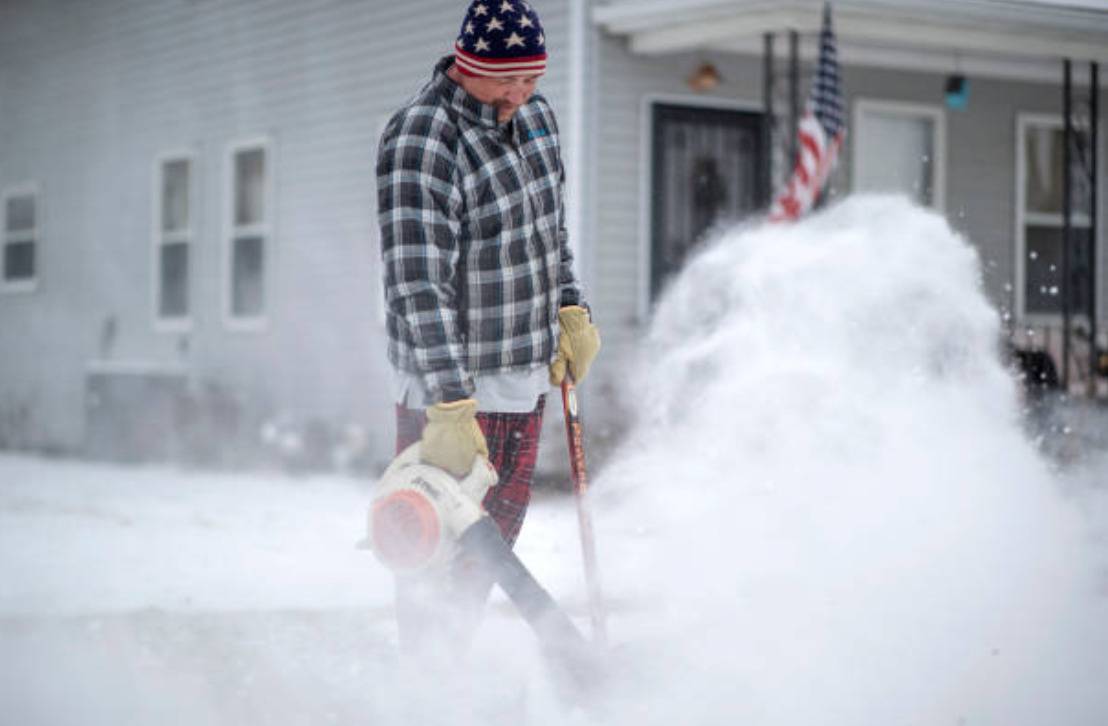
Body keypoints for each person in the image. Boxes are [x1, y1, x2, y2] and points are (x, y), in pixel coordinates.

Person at [375, 0, 600, 653]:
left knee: (488, 553)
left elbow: (549, 231)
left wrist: (569, 307)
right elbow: (418, 283)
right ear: (469, 64)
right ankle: (429, 694)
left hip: (524, 379)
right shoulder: (424, 135)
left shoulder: (534, 118)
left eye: (532, 79)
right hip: (456, 390)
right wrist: (448, 402)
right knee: (435, 554)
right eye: (507, 79)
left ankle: (450, 685)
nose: (520, 94)